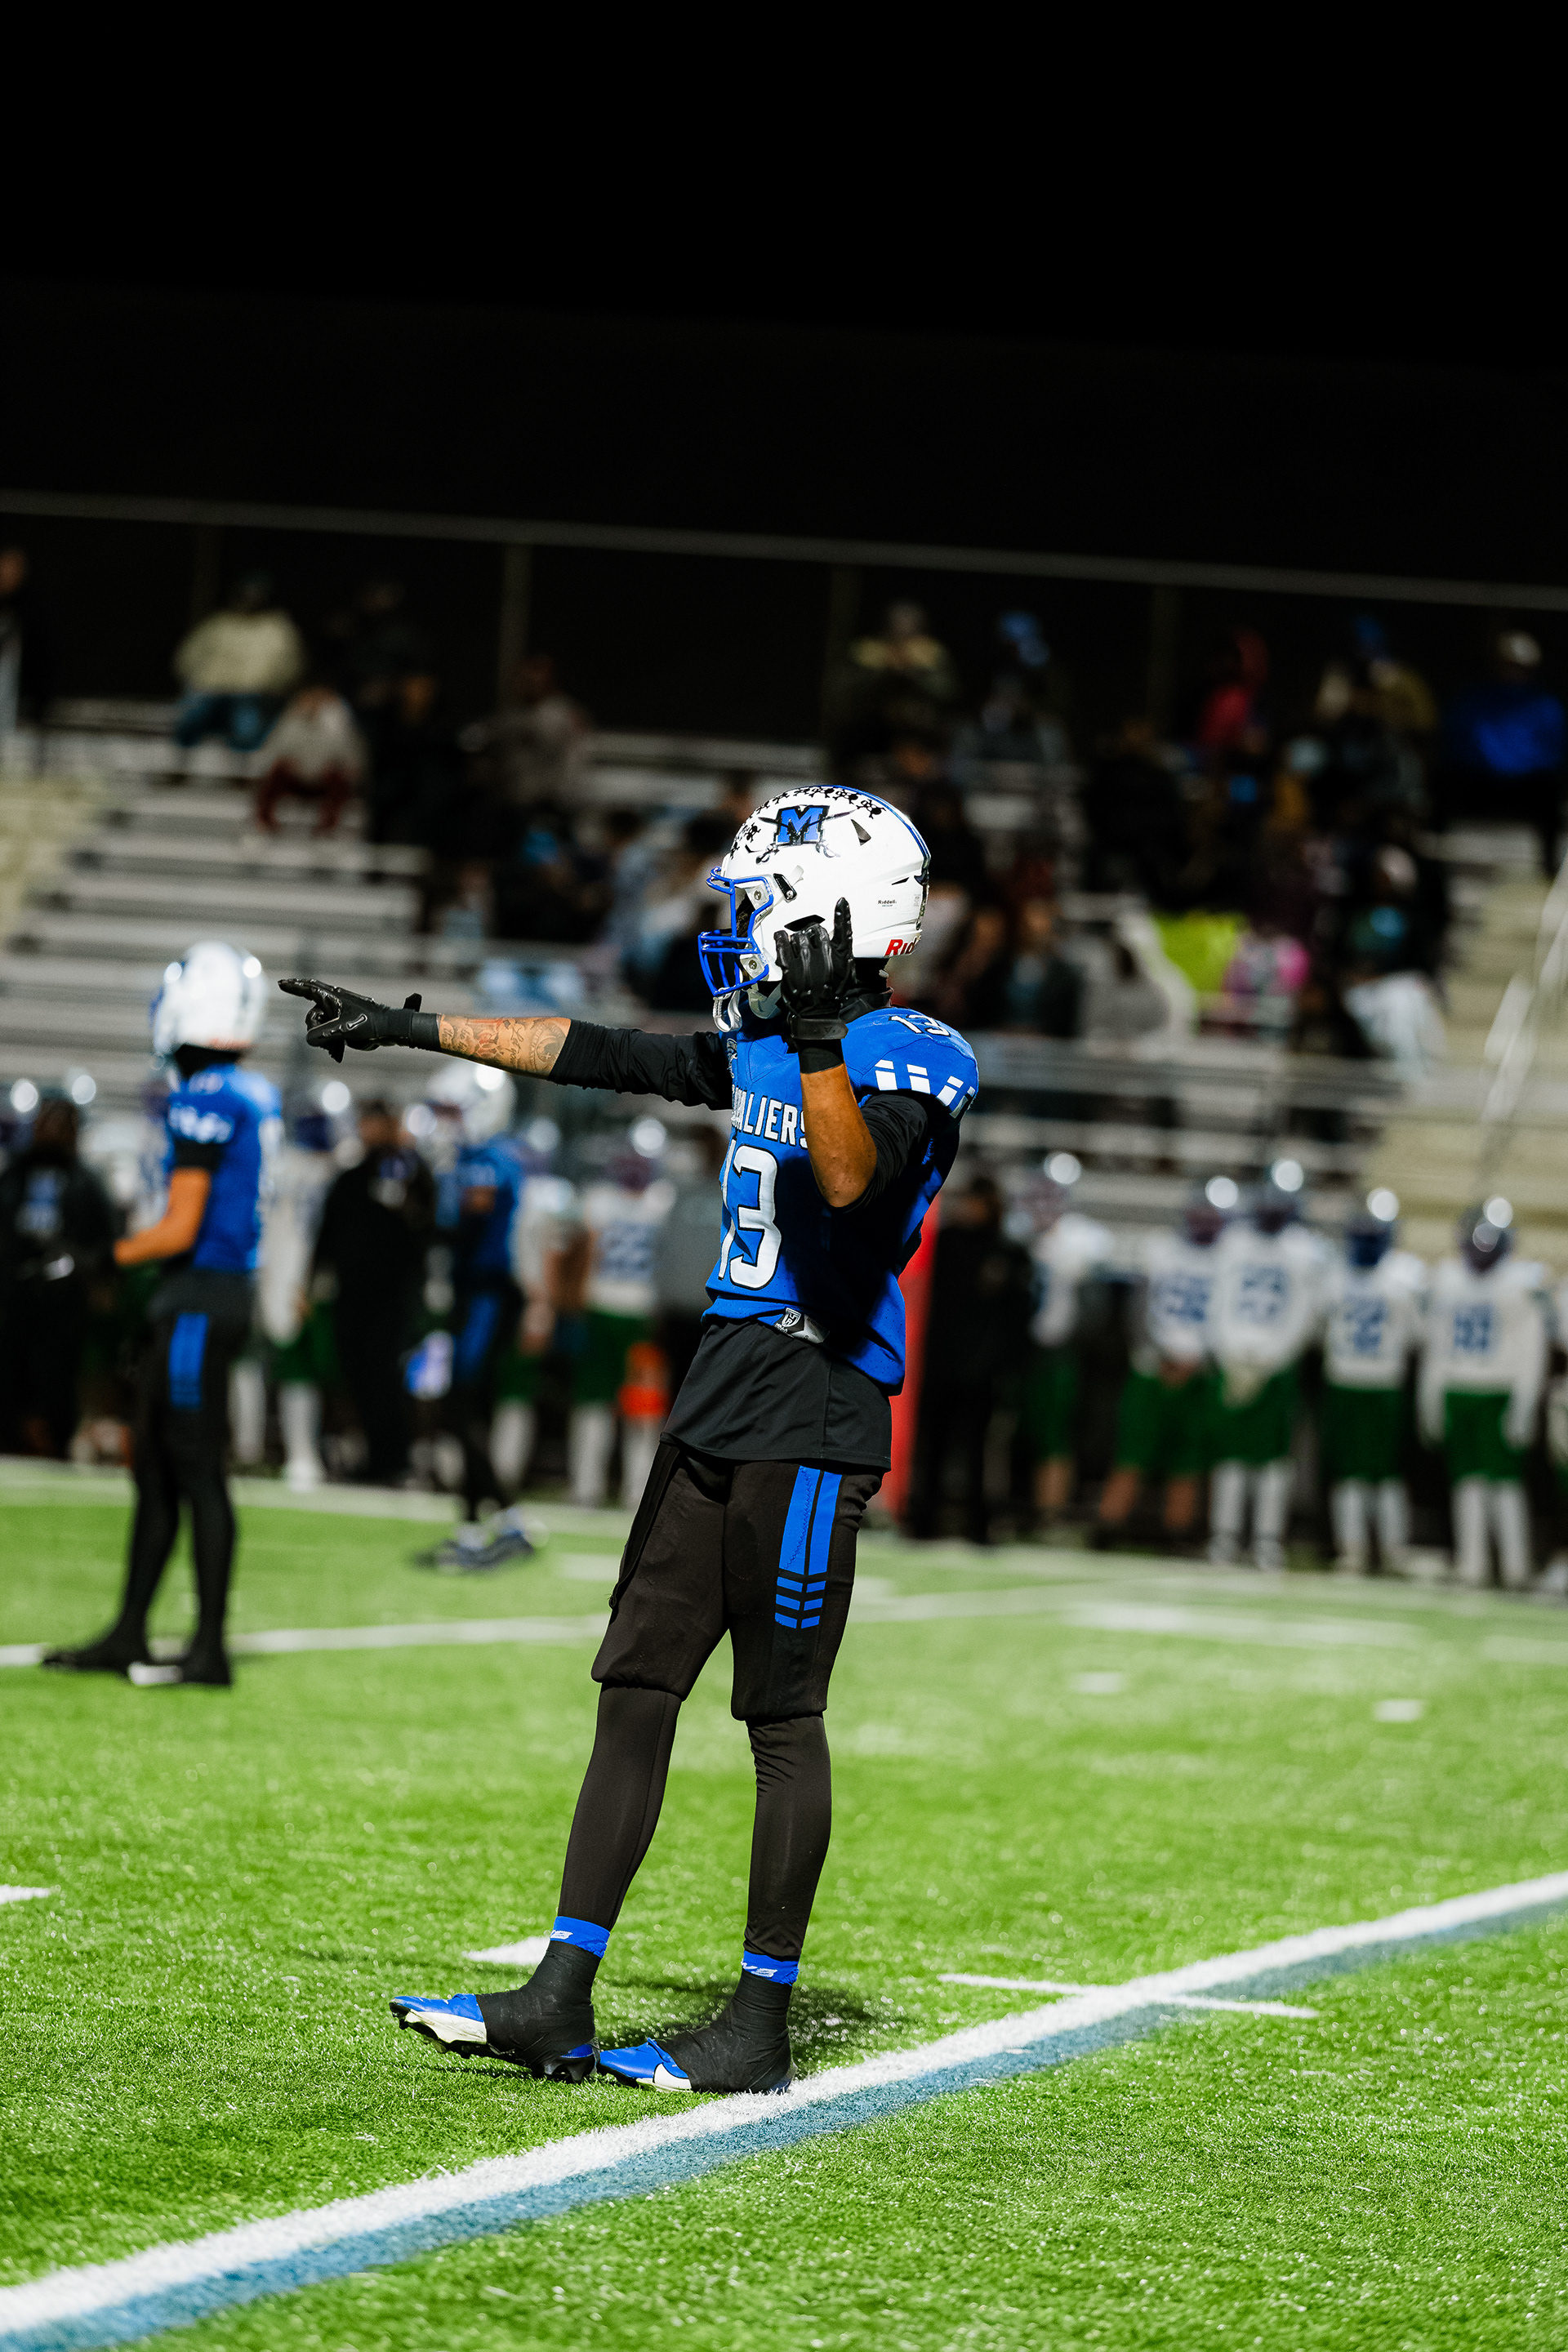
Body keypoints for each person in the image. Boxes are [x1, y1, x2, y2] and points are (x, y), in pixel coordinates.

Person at [280, 784, 970, 2094]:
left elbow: (850, 1181)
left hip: (816, 1407)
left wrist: (822, 1035)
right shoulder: (765, 1038)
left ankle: (757, 2024)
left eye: (763, 906)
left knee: (780, 1717)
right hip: (721, 1391)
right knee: (636, 1685)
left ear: (831, 916)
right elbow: (598, 1051)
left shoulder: (915, 1055)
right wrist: (413, 1027)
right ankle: (559, 1995)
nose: (744, 929)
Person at [42, 944, 276, 1686]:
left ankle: (207, 1649)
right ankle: (130, 1631)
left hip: (200, 1296)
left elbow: (178, 1227)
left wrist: (101, 1257)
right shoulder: (247, 1091)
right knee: (156, 1467)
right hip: (208, 1294)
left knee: (195, 1467)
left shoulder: (207, 1096)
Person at [1419, 1203, 1548, 1588]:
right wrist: (1430, 1395)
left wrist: (1523, 1403)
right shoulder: (1448, 1281)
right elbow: (1436, 1346)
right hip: (1459, 1388)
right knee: (1467, 1481)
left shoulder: (1521, 1284)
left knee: (1504, 1482)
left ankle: (1515, 1565)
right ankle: (1472, 1562)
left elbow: (1532, 1352)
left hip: (1498, 1391)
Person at [551, 1125, 677, 1510]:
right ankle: (597, 1486)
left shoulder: (656, 1200)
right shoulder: (640, 1200)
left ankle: (625, 1489)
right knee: (600, 1400)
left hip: (635, 1311)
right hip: (613, 1308)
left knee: (638, 1406)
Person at [905, 1172, 1033, 1546]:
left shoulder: (1009, 1253)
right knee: (934, 1445)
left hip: (982, 1371)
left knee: (979, 1451)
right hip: (943, 1362)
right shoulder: (944, 1244)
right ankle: (923, 1520)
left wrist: (1003, 1366)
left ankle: (978, 1525)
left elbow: (1017, 1319)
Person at [313, 1098, 434, 1489]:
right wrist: (317, 1275)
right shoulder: (352, 1176)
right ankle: (374, 1456)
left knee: (386, 1375)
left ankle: (395, 1459)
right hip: (353, 1293)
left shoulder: (411, 1171)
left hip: (391, 1295)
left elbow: (422, 1229)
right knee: (358, 1373)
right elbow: (329, 1230)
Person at [1096, 1187, 1226, 1550]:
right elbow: (1138, 1309)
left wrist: (1201, 1359)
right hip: (1152, 1370)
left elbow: (1228, 1318)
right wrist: (1158, 1354)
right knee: (1132, 1452)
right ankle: (1108, 1527)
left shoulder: (1229, 1258)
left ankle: (1177, 1534)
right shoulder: (1161, 1249)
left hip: (1199, 1372)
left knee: (1188, 1461)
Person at [1205, 1178, 1326, 1570]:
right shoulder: (1234, 1243)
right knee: (1231, 1453)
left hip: (1278, 1366)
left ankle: (1267, 1538)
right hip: (1235, 1359)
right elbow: (1217, 1302)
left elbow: (1305, 1314)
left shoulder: (1305, 1250)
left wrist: (1272, 1358)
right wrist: (1230, 1352)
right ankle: (1225, 1535)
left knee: (1273, 1458)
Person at [0, 1092, 116, 1455]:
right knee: (10, 1370)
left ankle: (55, 1439)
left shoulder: (86, 1182)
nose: (52, 1131)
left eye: (62, 1124)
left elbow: (107, 1240)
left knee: (57, 1373)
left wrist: (86, 1269)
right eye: (46, 1122)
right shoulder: (14, 1175)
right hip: (13, 1295)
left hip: (65, 1299)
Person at [1320, 1200, 1427, 1574]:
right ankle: (1360, 1547)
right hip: (1354, 1381)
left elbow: (1417, 1334)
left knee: (1381, 1471)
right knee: (1356, 1471)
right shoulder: (1340, 1275)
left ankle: (1385, 1548)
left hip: (1378, 1384)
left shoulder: (1403, 1276)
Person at [1020, 1167, 1111, 1525]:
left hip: (1066, 1351)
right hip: (1024, 1353)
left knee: (1057, 1435)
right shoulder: (1022, 1232)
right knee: (1026, 1431)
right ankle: (1026, 1506)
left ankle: (1050, 1511)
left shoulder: (1084, 1239)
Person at [1442, 633, 1568, 877]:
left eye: (1520, 666)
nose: (1513, 672)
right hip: (1482, 781)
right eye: (1507, 664)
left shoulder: (1545, 705)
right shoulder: (1475, 699)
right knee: (1444, 784)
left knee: (1550, 796)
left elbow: (1554, 752)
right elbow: (1459, 743)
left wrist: (1519, 767)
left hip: (1528, 784)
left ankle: (1548, 869)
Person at [172, 577, 305, 753]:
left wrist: (272, 687)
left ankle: (241, 762)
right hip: (209, 689)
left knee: (246, 729)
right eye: (246, 594)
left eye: (256, 595)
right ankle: (181, 757)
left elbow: (290, 664)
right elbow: (189, 654)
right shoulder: (219, 624)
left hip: (251, 693)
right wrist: (191, 680)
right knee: (189, 721)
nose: (250, 600)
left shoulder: (278, 628)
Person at [460, 653, 590, 809]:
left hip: (547, 801)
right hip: (511, 799)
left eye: (535, 675)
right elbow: (479, 739)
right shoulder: (513, 714)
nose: (527, 682)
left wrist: (562, 796)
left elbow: (578, 757)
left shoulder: (563, 714)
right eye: (523, 677)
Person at [254, 686, 367, 835]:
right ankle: (266, 822)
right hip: (295, 777)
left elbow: (350, 755)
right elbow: (274, 750)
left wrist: (336, 767)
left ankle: (327, 826)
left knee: (339, 779)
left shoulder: (337, 724)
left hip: (323, 780)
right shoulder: (291, 722)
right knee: (277, 774)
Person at [0, 545, 54, 739]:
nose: (9, 573)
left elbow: (42, 662)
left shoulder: (34, 610)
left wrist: (34, 708)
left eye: (16, 567)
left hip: (19, 707)